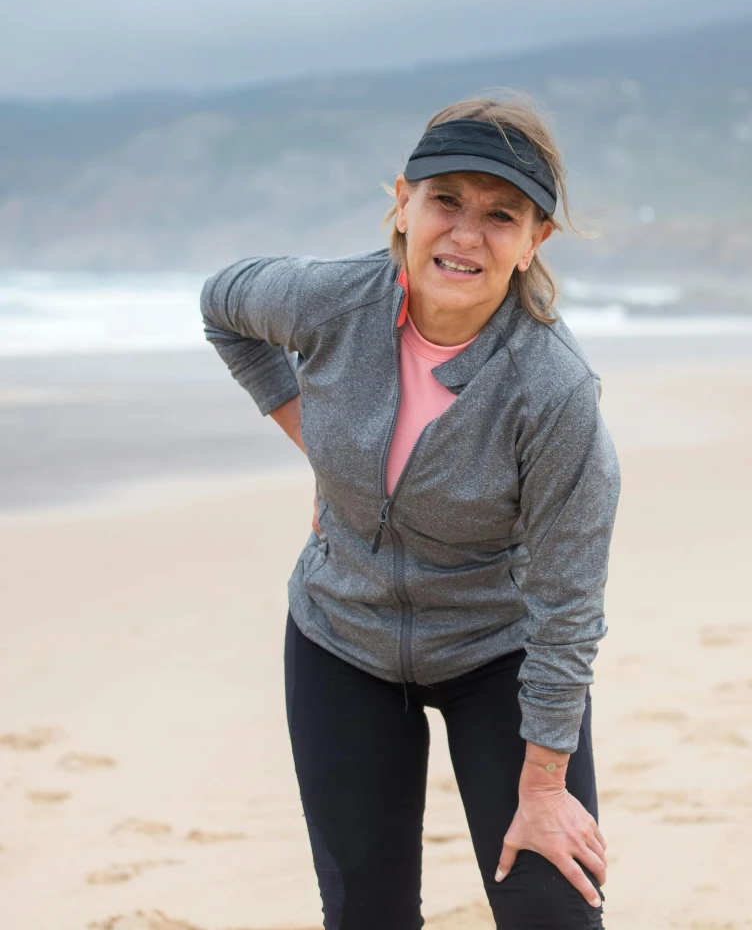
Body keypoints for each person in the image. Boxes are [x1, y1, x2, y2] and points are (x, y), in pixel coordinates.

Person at [200, 95, 621, 929]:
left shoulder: (553, 388)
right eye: (446, 202)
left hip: (494, 651)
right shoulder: (330, 303)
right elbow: (222, 305)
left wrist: (542, 787)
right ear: (402, 202)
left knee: (553, 912)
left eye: (501, 215)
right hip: (341, 637)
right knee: (366, 915)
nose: (466, 234)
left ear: (535, 240)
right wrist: (311, 436)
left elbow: (568, 606)